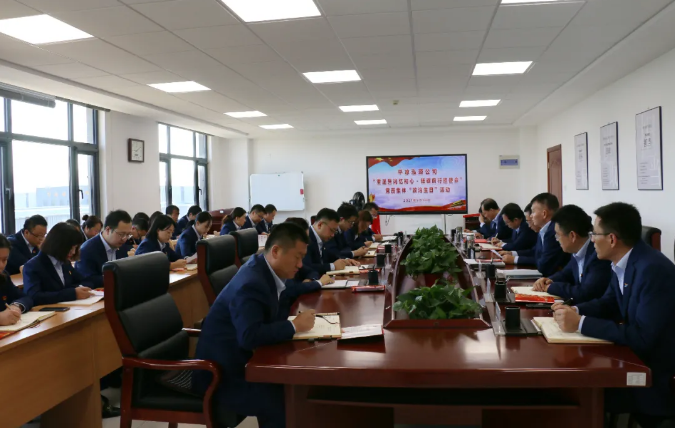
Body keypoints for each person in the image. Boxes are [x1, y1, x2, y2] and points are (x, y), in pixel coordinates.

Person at [552, 203, 675, 423]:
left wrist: (580, 323)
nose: (591, 240)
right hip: (632, 358)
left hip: (655, 376)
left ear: (611, 239)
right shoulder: (623, 261)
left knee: (572, 391)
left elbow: (643, 337)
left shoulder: (652, 270)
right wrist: (573, 310)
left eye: (594, 234)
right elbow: (608, 303)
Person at [194, 223, 319, 428]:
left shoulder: (265, 269)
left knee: (296, 386)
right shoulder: (251, 283)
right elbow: (249, 336)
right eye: (297, 257)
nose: (300, 265)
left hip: (242, 361)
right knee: (285, 397)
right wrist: (294, 326)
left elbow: (284, 297)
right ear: (276, 251)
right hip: (221, 376)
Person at [532, 205, 612, 303]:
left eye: (558, 235)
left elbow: (585, 294)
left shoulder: (598, 256)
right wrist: (548, 280)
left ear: (572, 236)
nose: (557, 239)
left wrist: (551, 287)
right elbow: (565, 274)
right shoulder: (576, 251)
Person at [500, 193, 569, 277]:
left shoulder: (553, 231)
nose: (531, 216)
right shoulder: (543, 230)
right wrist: (512, 253)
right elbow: (535, 251)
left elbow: (544, 265)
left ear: (544, 214)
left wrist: (515, 259)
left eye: (533, 212)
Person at [23, 223, 90, 305]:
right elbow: (34, 297)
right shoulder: (33, 266)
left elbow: (83, 280)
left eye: (75, 248)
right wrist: (72, 293)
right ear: (58, 245)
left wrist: (81, 289)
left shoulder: (65, 262)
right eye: (70, 248)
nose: (73, 252)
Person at [76, 210, 134, 289]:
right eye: (121, 234)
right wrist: (116, 278)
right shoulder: (86, 250)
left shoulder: (124, 247)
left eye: (128, 234)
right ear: (108, 230)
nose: (124, 239)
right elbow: (87, 280)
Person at [303, 208, 356, 276]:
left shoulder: (323, 238)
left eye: (335, 231)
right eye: (331, 230)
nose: (333, 235)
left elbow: (331, 255)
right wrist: (332, 266)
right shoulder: (306, 238)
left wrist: (345, 260)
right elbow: (307, 267)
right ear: (320, 225)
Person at [283, 217, 333, 287]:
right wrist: (318, 283)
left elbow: (312, 272)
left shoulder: (297, 259)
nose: (307, 243)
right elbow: (291, 289)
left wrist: (309, 280)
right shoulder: (284, 260)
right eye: (304, 239)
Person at [0, 234, 33, 325]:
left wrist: (16, 306)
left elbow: (26, 297)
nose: (1, 265)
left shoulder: (3, 276)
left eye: (4, 260)